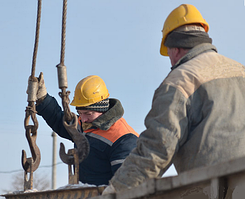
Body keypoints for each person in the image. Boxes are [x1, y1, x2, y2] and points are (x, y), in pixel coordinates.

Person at [103, 4, 245, 195]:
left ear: (175, 48)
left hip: (215, 190)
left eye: (168, 52)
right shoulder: (240, 71)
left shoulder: (181, 80)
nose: (170, 60)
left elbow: (156, 149)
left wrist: (116, 191)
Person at [30, 74, 139, 186]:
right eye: (80, 113)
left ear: (103, 109)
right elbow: (60, 120)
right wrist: (42, 99)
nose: (83, 119)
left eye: (87, 114)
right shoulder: (87, 125)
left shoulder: (124, 139)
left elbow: (127, 184)